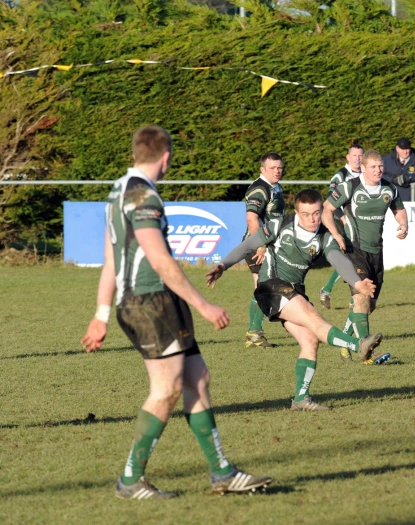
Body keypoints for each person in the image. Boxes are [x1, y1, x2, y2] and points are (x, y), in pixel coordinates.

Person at [81, 125, 272, 499]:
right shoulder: (143, 196)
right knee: (165, 390)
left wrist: (101, 314)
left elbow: (109, 260)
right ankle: (130, 479)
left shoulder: (119, 191)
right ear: (165, 157)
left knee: (197, 378)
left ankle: (222, 473)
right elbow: (159, 258)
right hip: (148, 301)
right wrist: (204, 305)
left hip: (155, 301)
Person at [205, 189, 388, 411]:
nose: (312, 219)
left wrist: (357, 283)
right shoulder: (279, 225)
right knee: (312, 317)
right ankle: (358, 345)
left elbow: (338, 259)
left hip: (295, 292)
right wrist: (223, 265)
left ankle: (301, 399)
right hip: (270, 286)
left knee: (310, 340)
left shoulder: (325, 235)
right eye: (306, 213)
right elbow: (247, 246)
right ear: (296, 212)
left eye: (317, 213)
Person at [322, 149, 408, 362]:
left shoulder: (389, 188)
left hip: (376, 252)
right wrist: (336, 235)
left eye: (380, 166)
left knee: (369, 305)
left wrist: (404, 224)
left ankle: (345, 343)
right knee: (361, 298)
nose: (378, 170)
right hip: (354, 250)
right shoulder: (349, 187)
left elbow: (399, 209)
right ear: (363, 167)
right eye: (373, 167)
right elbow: (326, 209)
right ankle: (366, 351)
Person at [241, 152, 286, 349]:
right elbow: (252, 219)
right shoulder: (260, 189)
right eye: (273, 168)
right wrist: (261, 245)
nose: (277, 171)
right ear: (262, 170)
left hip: (268, 246)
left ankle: (255, 332)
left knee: (265, 289)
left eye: (280, 168)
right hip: (257, 246)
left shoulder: (275, 187)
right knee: (265, 289)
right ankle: (254, 333)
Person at [319, 144, 364, 310]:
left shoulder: (365, 175)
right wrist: (342, 217)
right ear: (348, 157)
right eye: (355, 155)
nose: (358, 158)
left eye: (360, 155)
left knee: (352, 258)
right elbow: (330, 201)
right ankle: (351, 296)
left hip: (357, 223)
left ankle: (329, 290)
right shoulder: (340, 176)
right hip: (342, 222)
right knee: (351, 258)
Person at [382, 137, 415, 202]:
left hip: (412, 200)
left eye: (407, 149)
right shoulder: (387, 160)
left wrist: (407, 178)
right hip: (391, 200)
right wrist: (393, 179)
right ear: (397, 149)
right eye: (402, 149)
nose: (405, 152)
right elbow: (380, 175)